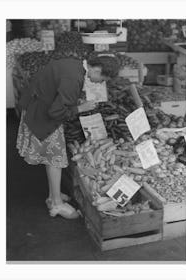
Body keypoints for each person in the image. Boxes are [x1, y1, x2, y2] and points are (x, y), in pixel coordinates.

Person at [16, 55, 120, 219]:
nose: (100, 83)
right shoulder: (74, 79)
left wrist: (74, 101)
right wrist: (80, 108)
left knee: (51, 159)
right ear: (96, 69)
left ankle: (53, 196)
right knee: (55, 160)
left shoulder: (75, 64)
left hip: (36, 106)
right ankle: (57, 205)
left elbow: (57, 90)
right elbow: (56, 112)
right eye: (102, 79)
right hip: (43, 116)